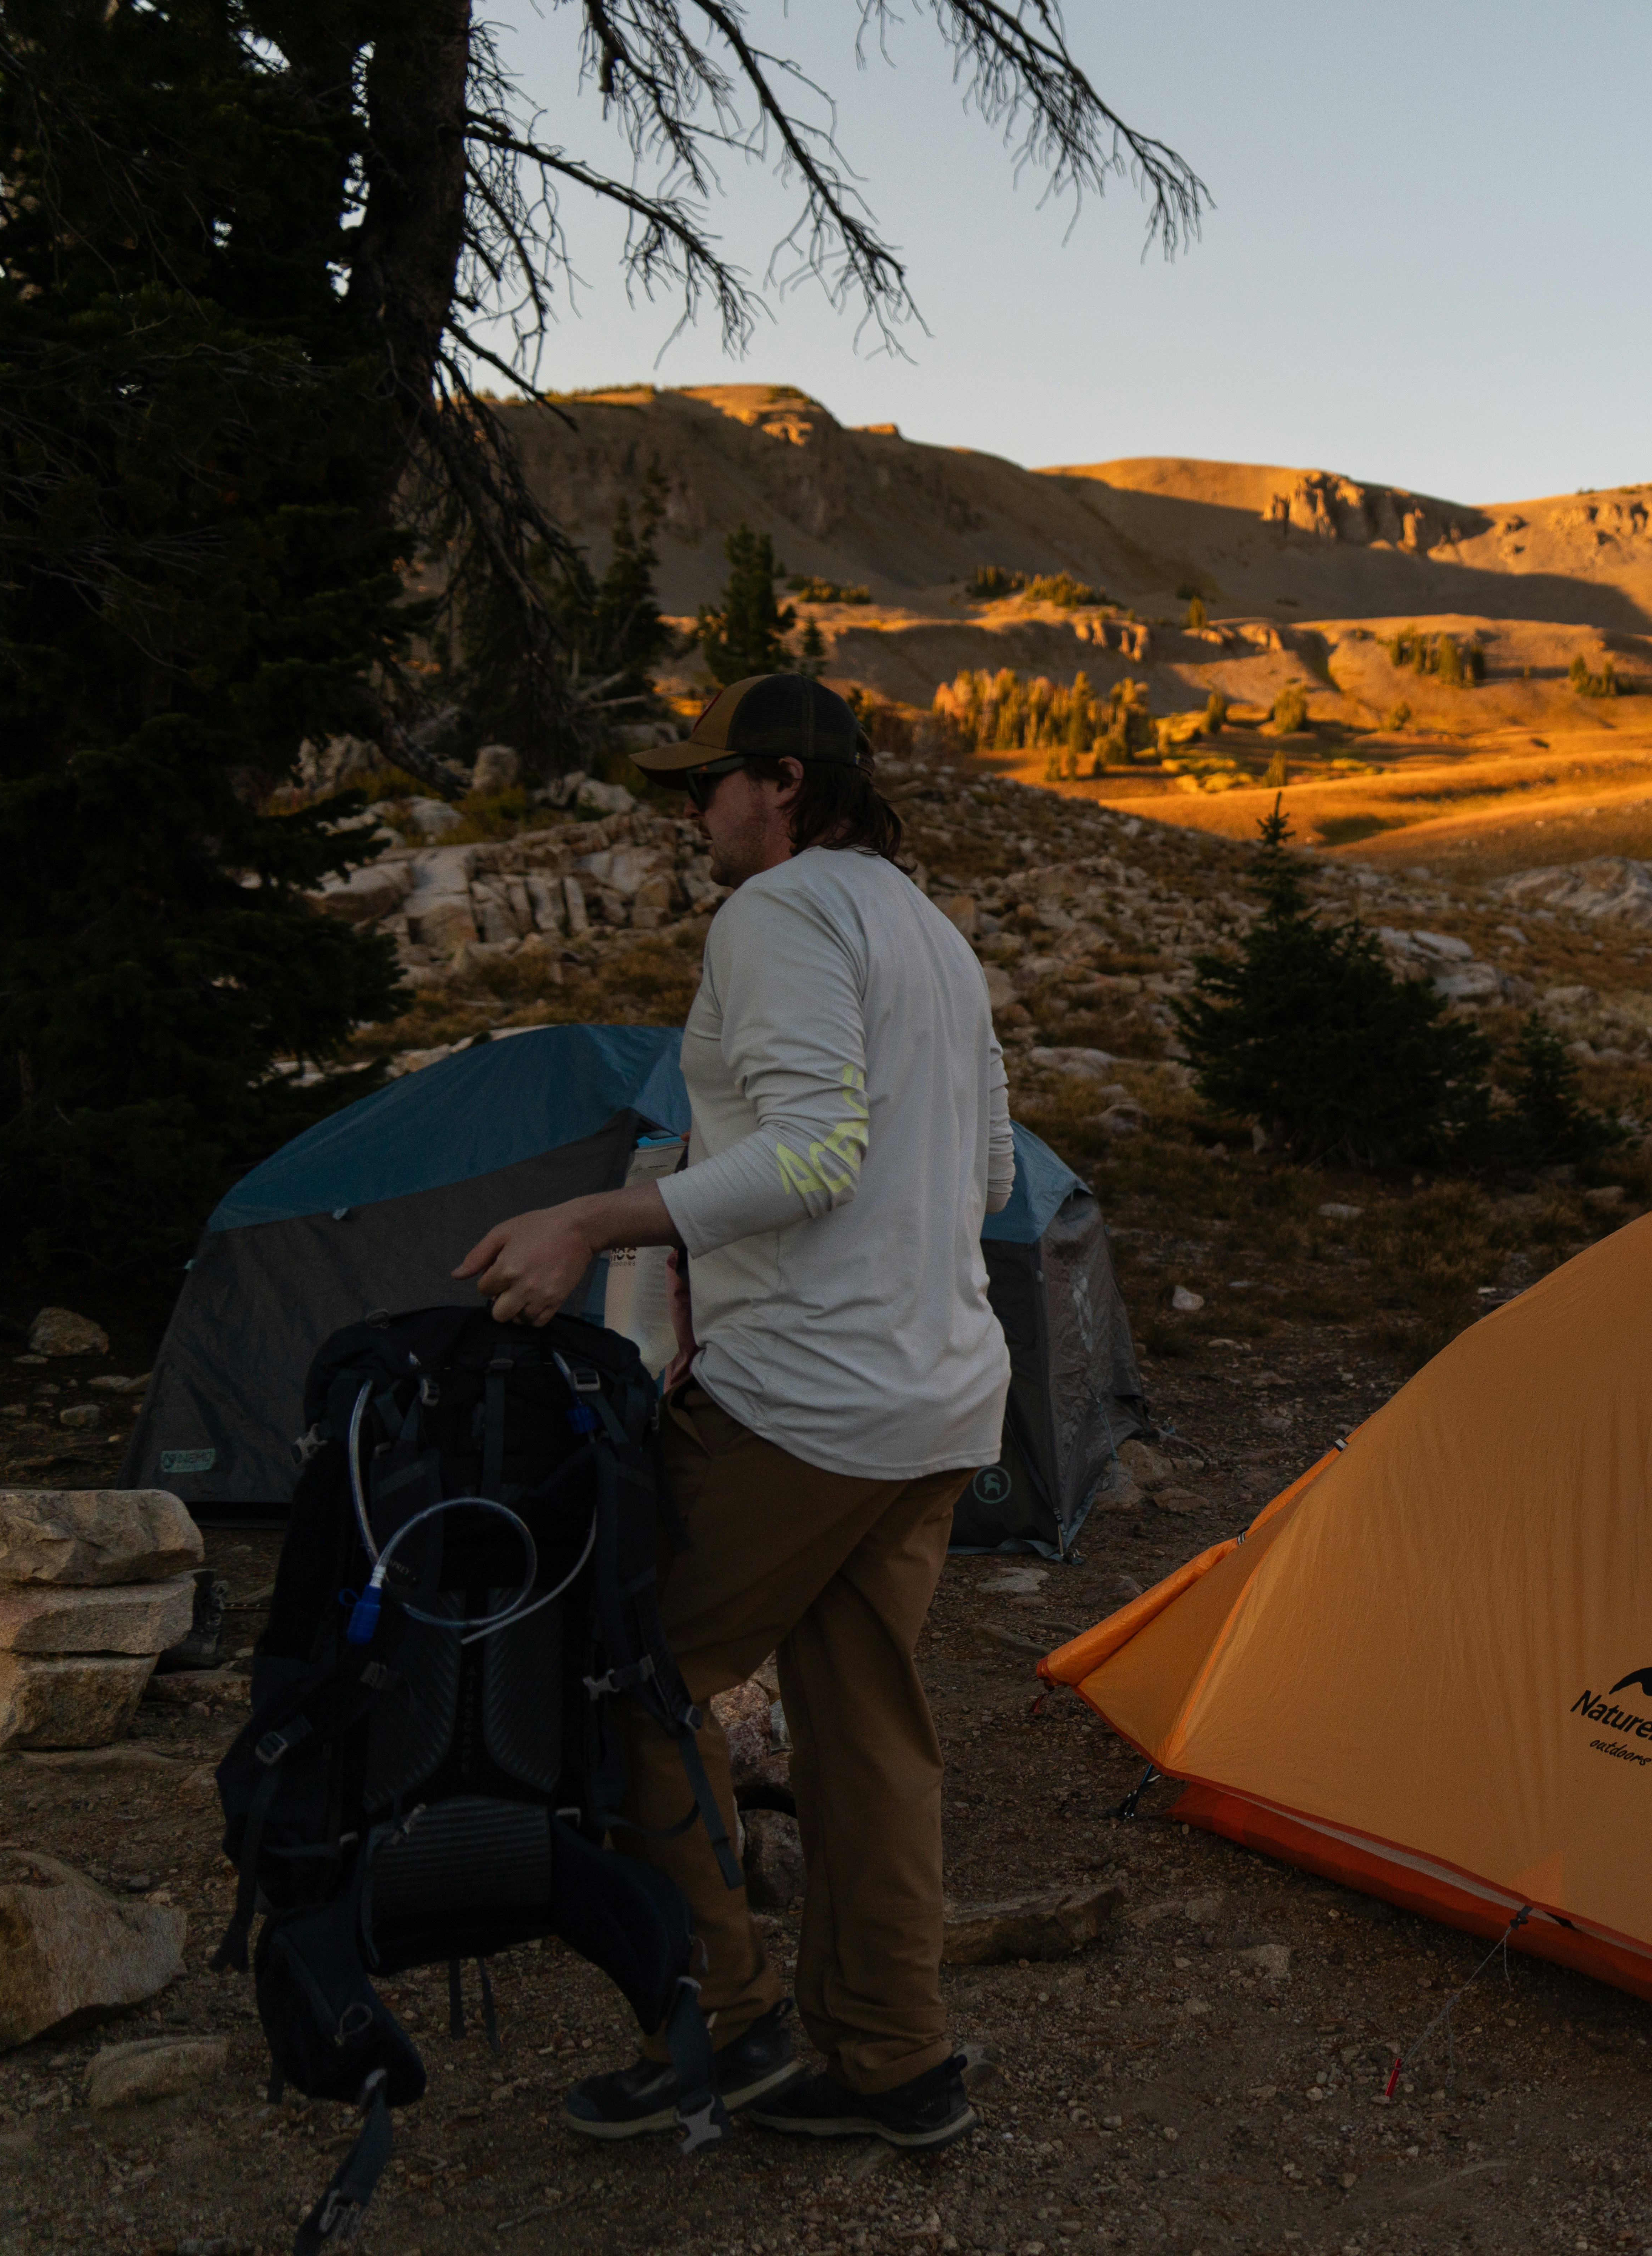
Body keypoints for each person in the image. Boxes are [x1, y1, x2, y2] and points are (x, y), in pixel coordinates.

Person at [454, 674, 1012, 2150]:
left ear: (778, 781)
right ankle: (897, 2064)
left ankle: (727, 2023)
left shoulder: (777, 915)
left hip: (809, 1406)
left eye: (707, 786)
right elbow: (998, 1180)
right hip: (943, 1401)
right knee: (870, 1734)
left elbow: (821, 1156)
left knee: (634, 1680)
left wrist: (595, 1218)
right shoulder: (931, 932)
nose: (693, 814)